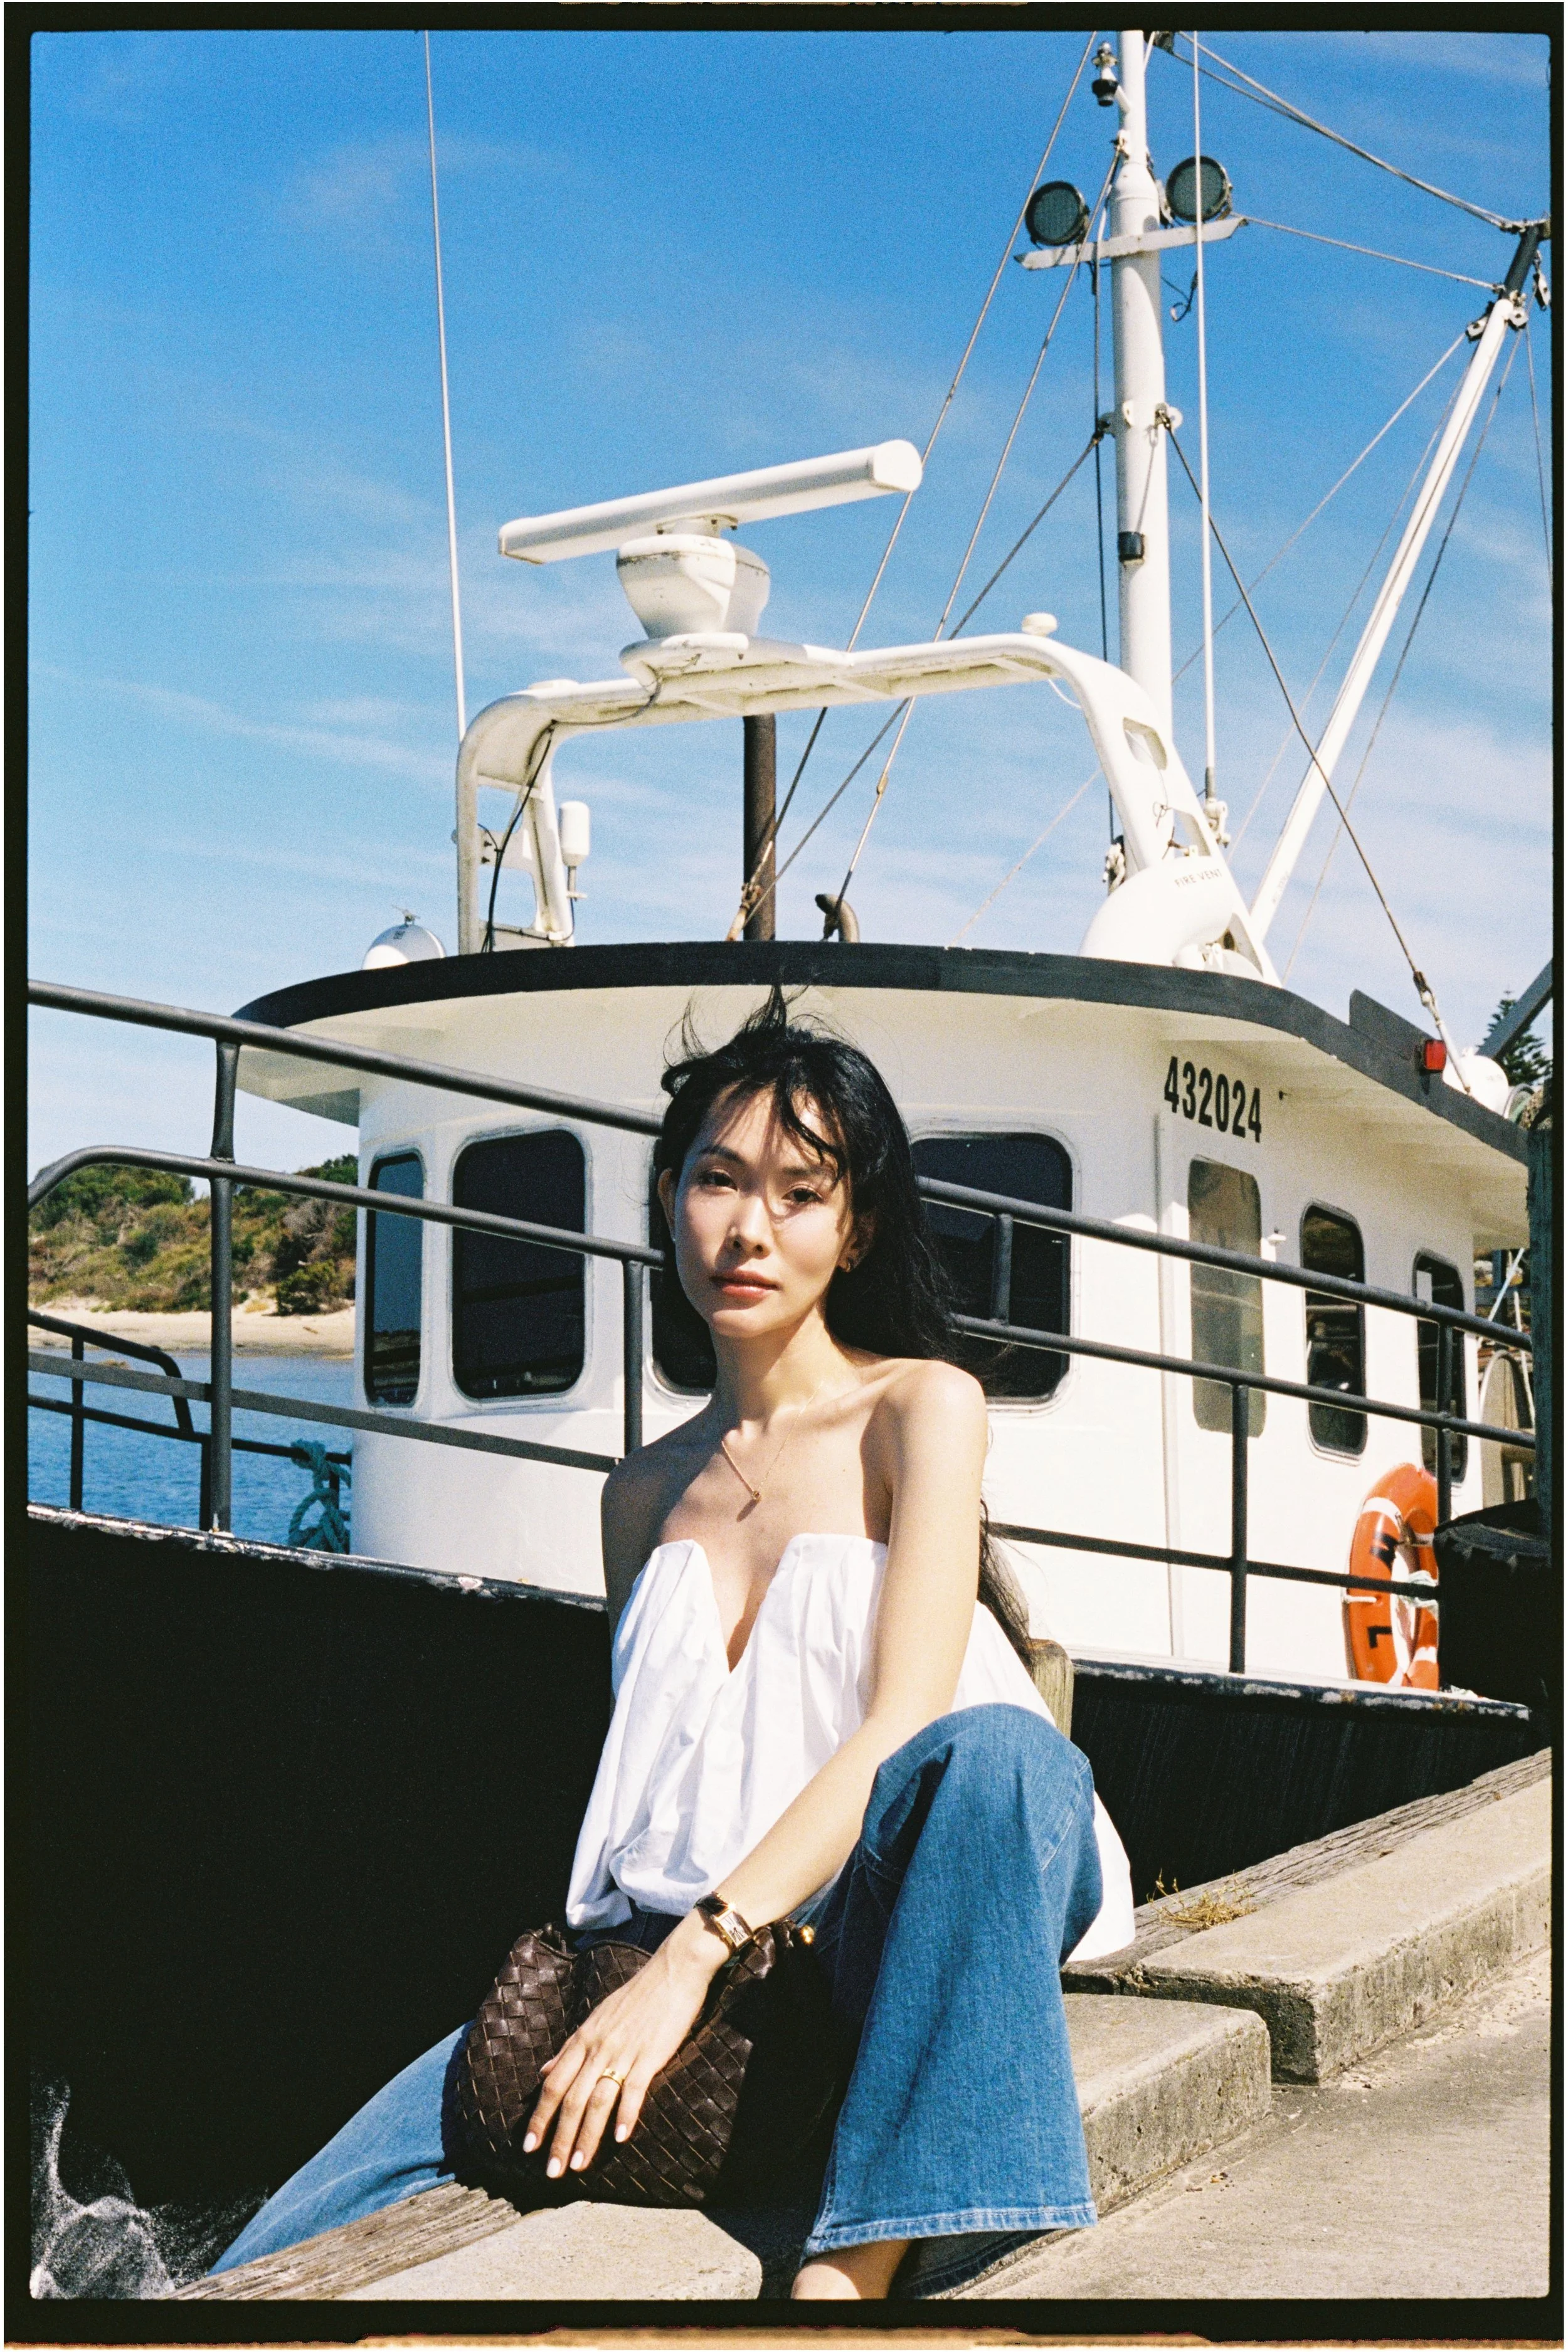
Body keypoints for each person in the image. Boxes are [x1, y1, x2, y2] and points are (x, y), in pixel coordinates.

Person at [212, 990, 1133, 2300]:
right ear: (665, 1196)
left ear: (852, 1225)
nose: (748, 1226)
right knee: (291, 2232)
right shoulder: (638, 1495)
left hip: (891, 1904)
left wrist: (699, 1950)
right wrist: (647, 1977)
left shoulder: (919, 1408)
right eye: (716, 1179)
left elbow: (901, 1725)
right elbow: (667, 1775)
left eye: (798, 1192)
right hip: (672, 1941)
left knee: (1000, 1758)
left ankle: (849, 2276)